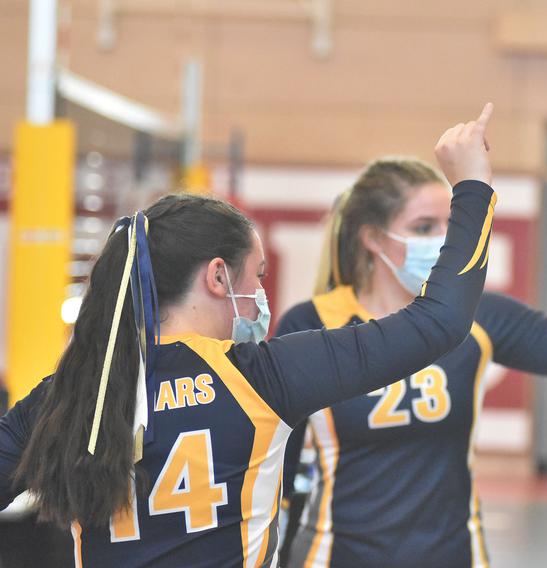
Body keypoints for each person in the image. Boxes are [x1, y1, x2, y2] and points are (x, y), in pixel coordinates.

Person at [0, 104, 498, 568]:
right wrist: (472, 185)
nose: (261, 294)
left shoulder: (71, 393)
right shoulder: (263, 376)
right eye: (256, 276)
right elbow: (440, 321)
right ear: (218, 277)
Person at [278, 156, 547, 567]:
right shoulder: (311, 323)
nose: (440, 239)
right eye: (422, 227)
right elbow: (277, 471)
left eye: (448, 226)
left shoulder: (478, 317)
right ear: (373, 238)